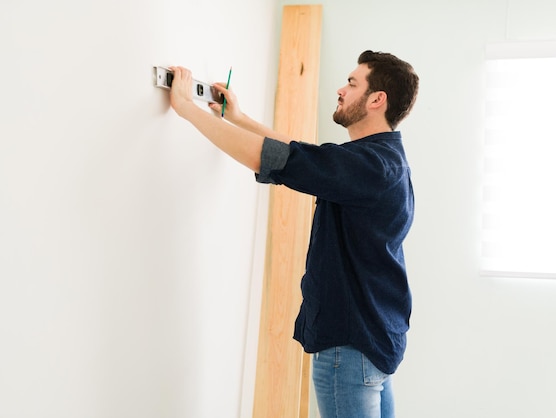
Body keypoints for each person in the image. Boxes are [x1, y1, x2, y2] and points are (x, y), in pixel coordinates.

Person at [169, 50, 419, 418]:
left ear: (377, 100)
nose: (340, 90)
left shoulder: (370, 166)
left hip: (350, 349)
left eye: (351, 83)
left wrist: (186, 108)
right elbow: (307, 158)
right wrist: (239, 118)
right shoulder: (382, 159)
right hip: (375, 342)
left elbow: (273, 159)